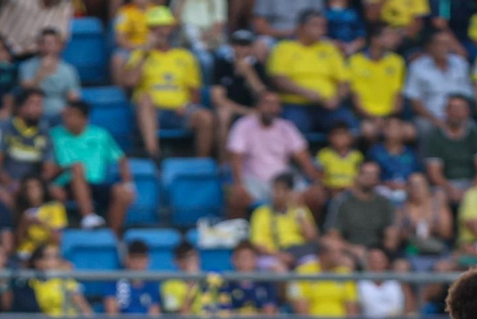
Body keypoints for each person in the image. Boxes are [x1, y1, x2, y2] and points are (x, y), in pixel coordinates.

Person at [123, 6, 212, 160]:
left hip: (179, 112)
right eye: (155, 28)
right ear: (149, 30)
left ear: (171, 29)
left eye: (164, 27)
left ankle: (201, 163)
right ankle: (153, 154)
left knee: (206, 117)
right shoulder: (139, 54)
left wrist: (186, 106)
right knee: (144, 99)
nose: (160, 32)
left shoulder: (185, 56)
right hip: (152, 112)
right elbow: (129, 82)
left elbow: (195, 93)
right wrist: (146, 52)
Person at [225, 90, 319, 215]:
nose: (271, 108)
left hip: (284, 180)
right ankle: (239, 232)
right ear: (258, 106)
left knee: (316, 196)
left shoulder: (286, 127)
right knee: (236, 196)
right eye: (267, 103)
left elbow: (303, 157)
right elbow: (236, 157)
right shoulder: (243, 125)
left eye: (275, 104)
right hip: (255, 181)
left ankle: (307, 232)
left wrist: (317, 182)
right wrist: (238, 184)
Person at [51, 98, 134, 231]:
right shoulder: (54, 135)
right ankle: (88, 217)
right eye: (67, 116)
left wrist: (129, 183)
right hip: (66, 183)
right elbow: (48, 165)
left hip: (95, 183)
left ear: (85, 119)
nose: (68, 119)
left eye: (73, 116)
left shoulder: (100, 135)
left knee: (122, 192)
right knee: (78, 168)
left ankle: (113, 237)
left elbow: (121, 159)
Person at [268, 9, 352, 137]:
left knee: (350, 126)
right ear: (301, 27)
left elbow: (344, 81)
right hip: (296, 104)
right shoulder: (283, 48)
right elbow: (279, 79)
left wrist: (337, 98)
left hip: (328, 105)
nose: (322, 30)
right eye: (316, 25)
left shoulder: (329, 49)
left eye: (323, 26)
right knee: (292, 129)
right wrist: (305, 92)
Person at [15, 26, 80, 121]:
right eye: (43, 43)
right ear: (38, 45)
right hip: (33, 113)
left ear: (60, 46)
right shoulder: (26, 66)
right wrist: (41, 72)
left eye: (51, 43)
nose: (47, 47)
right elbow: (26, 93)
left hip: (60, 115)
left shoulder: (68, 70)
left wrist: (68, 110)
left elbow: (73, 98)